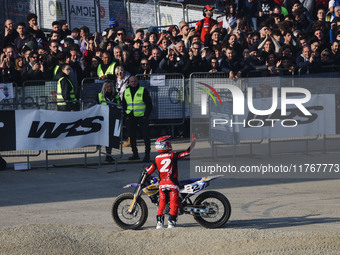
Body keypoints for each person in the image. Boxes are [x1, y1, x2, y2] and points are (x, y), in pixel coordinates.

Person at [145, 134, 196, 229]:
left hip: (162, 186)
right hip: (172, 185)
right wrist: (194, 142)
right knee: (174, 204)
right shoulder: (173, 155)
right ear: (164, 145)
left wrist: (146, 170)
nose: (170, 143)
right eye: (168, 142)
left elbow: (149, 171)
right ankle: (171, 222)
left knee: (161, 205)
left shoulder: (157, 159)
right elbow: (188, 152)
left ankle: (159, 224)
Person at [121, 76, 152, 162]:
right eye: (131, 81)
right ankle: (135, 154)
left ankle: (147, 155)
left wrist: (146, 115)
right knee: (132, 136)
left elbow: (149, 104)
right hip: (130, 117)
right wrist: (126, 115)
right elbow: (123, 105)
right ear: (129, 82)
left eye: (134, 81)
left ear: (137, 81)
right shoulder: (126, 91)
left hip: (142, 117)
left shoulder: (143, 90)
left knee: (146, 136)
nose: (133, 83)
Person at [97, 81, 120, 162]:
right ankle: (107, 155)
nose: (109, 88)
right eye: (107, 87)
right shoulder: (100, 95)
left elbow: (119, 104)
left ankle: (109, 155)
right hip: (104, 119)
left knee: (112, 137)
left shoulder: (115, 95)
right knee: (106, 137)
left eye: (110, 86)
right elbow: (97, 107)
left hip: (114, 118)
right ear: (104, 88)